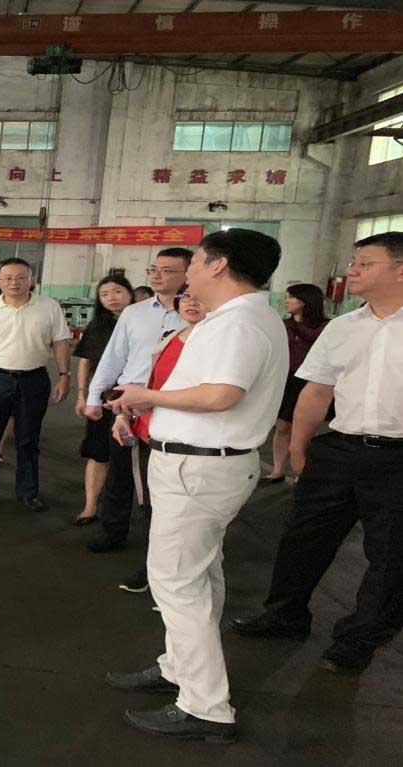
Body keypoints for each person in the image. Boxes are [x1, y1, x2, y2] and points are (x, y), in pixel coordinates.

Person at [104, 229, 286, 744]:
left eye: (197, 261)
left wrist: (148, 395)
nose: (189, 272)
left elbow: (221, 394)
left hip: (200, 467)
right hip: (202, 464)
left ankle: (205, 707)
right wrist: (149, 401)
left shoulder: (238, 323)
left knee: (177, 583)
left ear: (219, 265)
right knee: (200, 575)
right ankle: (179, 668)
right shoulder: (236, 319)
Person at [227, 232, 403, 675]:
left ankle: (358, 640)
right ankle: (285, 615)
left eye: (364, 263)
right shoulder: (342, 327)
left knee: (390, 557)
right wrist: (300, 449)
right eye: (354, 261)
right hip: (338, 450)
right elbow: (317, 391)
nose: (352, 270)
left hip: (397, 459)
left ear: (400, 270)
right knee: (303, 539)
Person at [83, 248, 193, 556]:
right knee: (119, 474)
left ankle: (155, 551)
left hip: (171, 407)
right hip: (127, 406)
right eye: (153, 270)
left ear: (189, 274)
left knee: (157, 482)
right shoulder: (135, 312)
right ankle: (112, 531)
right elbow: (113, 357)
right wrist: (94, 397)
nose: (157, 275)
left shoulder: (197, 314)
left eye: (167, 271)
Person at [0, 258, 72, 511]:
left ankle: (28, 493)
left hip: (34, 380)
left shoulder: (49, 306)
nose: (14, 282)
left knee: (28, 439)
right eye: (8, 278)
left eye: (21, 277)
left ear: (31, 280)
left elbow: (60, 342)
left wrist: (64, 375)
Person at [71, 275, 135, 525]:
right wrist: (83, 395)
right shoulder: (97, 327)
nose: (112, 298)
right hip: (103, 400)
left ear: (129, 293)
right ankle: (90, 505)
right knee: (99, 452)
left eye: (117, 291)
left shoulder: (143, 323)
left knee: (131, 455)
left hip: (137, 401)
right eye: (105, 294)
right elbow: (86, 362)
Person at [260, 283, 331, 483]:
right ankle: (277, 470)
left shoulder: (325, 327)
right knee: (282, 426)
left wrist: (295, 328)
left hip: (311, 381)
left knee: (305, 429)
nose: (286, 301)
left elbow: (316, 342)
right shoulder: (283, 324)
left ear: (305, 301)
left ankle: (302, 472)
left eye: (291, 297)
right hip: (287, 378)